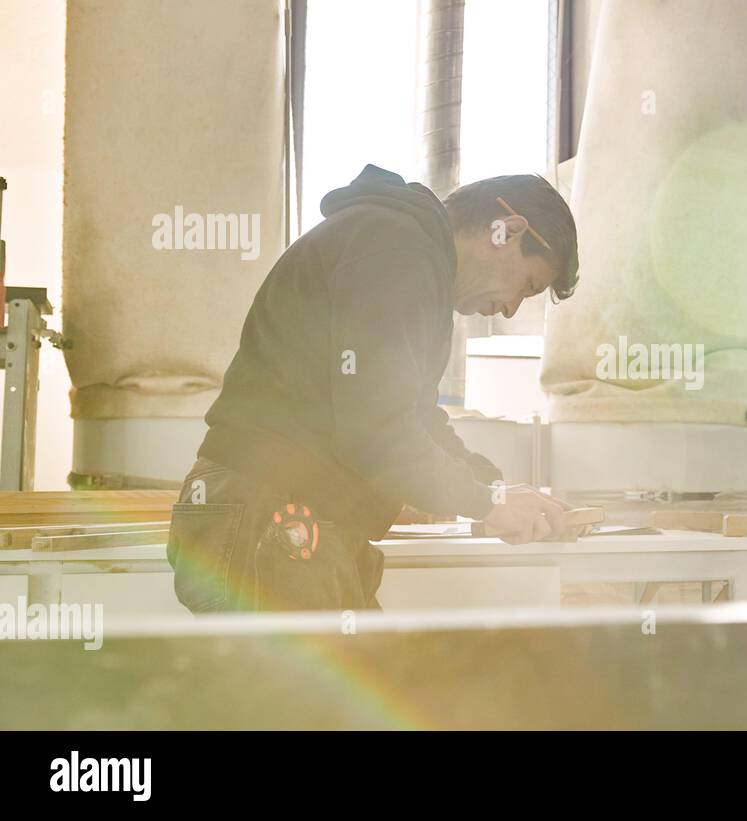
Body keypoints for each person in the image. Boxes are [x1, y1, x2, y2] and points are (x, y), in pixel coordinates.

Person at [165, 164, 579, 613]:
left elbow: (414, 417)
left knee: (361, 674)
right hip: (271, 511)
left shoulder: (408, 257)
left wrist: (495, 490)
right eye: (528, 284)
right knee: (313, 683)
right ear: (507, 230)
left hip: (288, 515)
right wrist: (484, 502)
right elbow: (376, 430)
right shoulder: (394, 247)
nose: (513, 308)